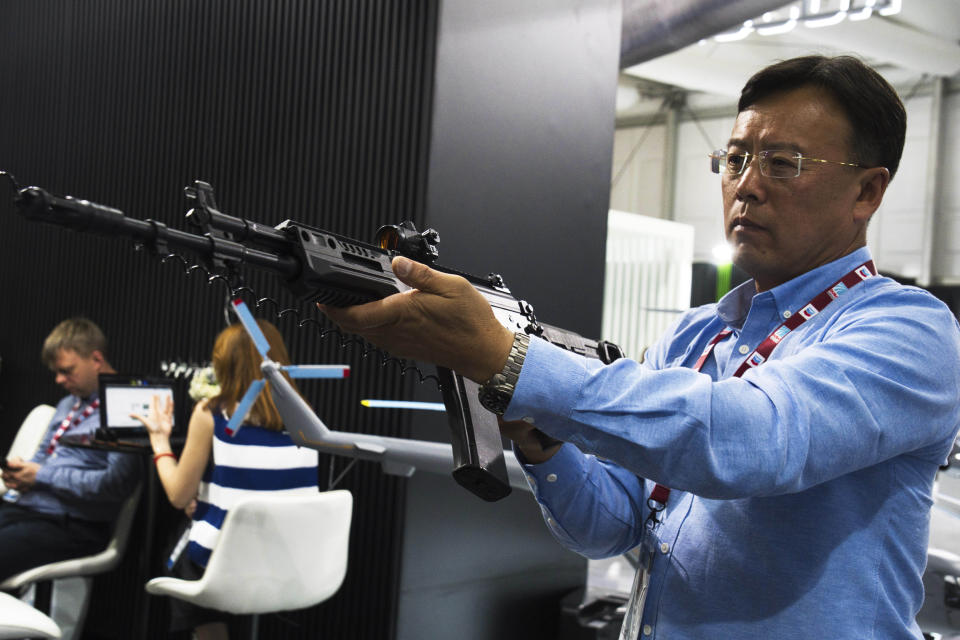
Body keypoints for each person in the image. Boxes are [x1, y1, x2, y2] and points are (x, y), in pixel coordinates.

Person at [319, 55, 960, 638]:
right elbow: (611, 526)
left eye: (782, 163)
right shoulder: (698, 332)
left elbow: (750, 441)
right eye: (734, 159)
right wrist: (546, 449)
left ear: (867, 191)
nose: (747, 185)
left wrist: (509, 357)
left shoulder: (907, 331)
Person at [132, 319, 319, 640]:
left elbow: (178, 496)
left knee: (179, 551)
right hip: (289, 560)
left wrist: (160, 441)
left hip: (226, 565)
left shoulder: (212, 413)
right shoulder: (304, 414)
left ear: (223, 364)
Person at [0, 317, 141, 582]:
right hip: (28, 509)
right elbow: (44, 457)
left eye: (67, 370)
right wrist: (23, 474)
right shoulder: (68, 404)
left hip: (73, 525)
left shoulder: (125, 405)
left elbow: (116, 484)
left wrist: (40, 476)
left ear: (96, 360)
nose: (59, 379)